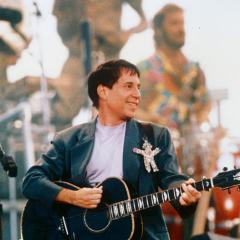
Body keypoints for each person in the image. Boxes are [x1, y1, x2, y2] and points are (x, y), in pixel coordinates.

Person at [22, 59, 201, 240]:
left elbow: (172, 180)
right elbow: (32, 180)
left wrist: (185, 195)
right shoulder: (69, 139)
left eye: (138, 87)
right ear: (103, 92)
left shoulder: (155, 135)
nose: (137, 94)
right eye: (128, 86)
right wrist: (72, 197)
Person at [137, 4, 211, 147]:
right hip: (157, 151)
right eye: (174, 23)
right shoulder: (145, 69)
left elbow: (205, 105)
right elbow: (130, 111)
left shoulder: (195, 70)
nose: (181, 29)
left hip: (192, 153)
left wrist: (200, 117)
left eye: (182, 23)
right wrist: (153, 120)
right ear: (158, 30)